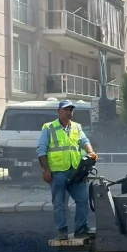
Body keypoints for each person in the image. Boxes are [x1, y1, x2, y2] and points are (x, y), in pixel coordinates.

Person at [37, 99, 98, 239]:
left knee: (83, 200)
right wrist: (46, 169)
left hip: (75, 172)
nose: (69, 112)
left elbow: (84, 141)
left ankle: (81, 229)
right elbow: (41, 150)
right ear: (59, 111)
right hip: (57, 172)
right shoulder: (49, 127)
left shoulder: (77, 127)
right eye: (66, 109)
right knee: (59, 203)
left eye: (71, 109)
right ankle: (62, 231)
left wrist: (91, 152)